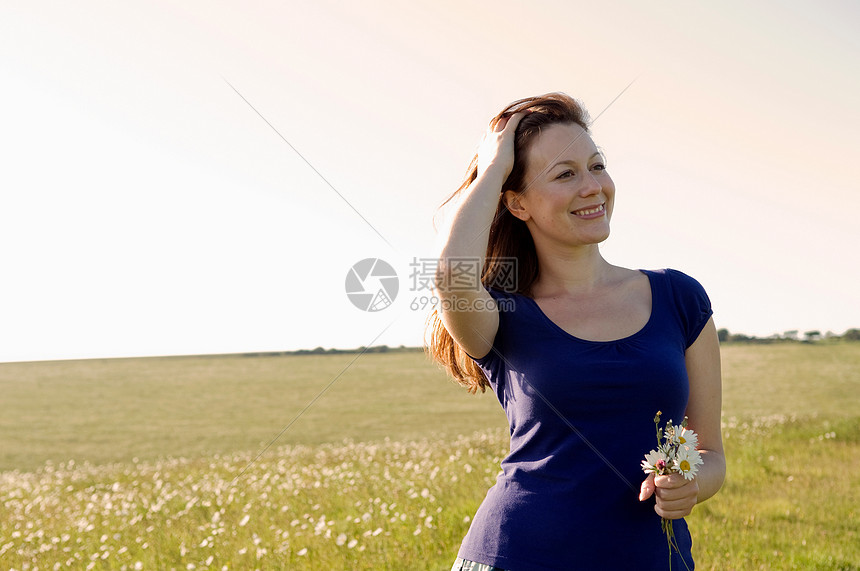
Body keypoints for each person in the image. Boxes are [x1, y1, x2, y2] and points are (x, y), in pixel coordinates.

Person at [427, 93, 725, 570]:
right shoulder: (504, 313)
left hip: (651, 559)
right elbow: (451, 276)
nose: (592, 187)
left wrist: (691, 484)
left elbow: (709, 451)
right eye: (565, 174)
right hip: (515, 555)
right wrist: (493, 167)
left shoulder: (679, 298)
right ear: (517, 203)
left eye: (597, 166)